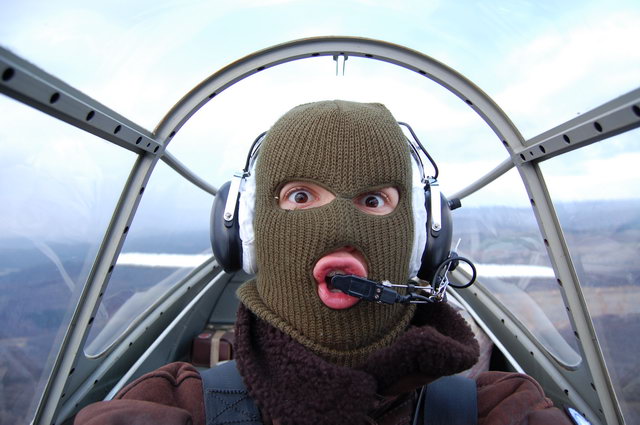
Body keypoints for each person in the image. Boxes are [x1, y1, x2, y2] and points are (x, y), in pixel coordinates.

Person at [75, 100, 571, 425]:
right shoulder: (171, 404)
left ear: (421, 235)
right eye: (299, 196)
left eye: (374, 200)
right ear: (246, 229)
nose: (339, 229)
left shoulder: (499, 408)